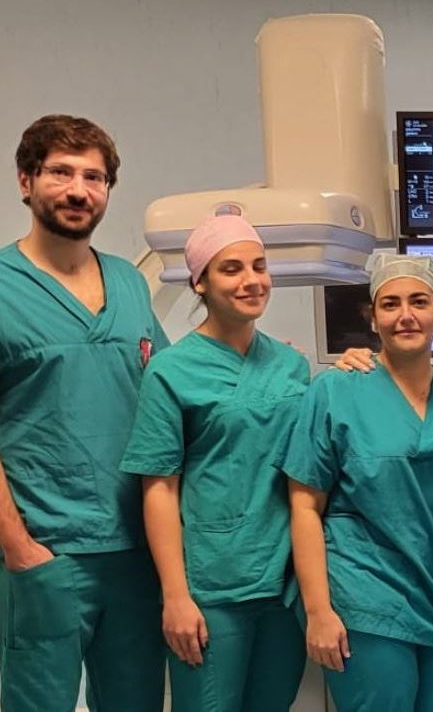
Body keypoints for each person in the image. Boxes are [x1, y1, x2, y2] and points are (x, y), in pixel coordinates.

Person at [0, 114, 167, 712]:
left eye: (93, 177)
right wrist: (19, 548)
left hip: (137, 550)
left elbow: (174, 388)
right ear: (26, 181)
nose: (78, 190)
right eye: (61, 173)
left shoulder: (129, 283)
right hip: (46, 549)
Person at [118, 215, 309, 711]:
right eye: (231, 269)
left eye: (259, 266)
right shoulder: (171, 371)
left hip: (286, 585)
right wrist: (175, 596)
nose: (251, 280)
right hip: (212, 588)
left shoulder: (292, 366)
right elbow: (159, 487)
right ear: (200, 282)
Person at [283, 252, 433, 712]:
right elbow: (304, 506)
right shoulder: (336, 390)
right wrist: (318, 611)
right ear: (372, 318)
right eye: (390, 304)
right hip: (364, 595)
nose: (405, 315)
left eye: (419, 302)